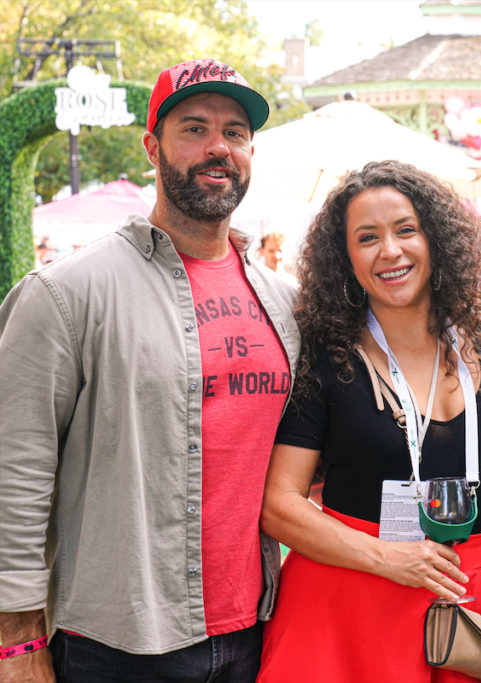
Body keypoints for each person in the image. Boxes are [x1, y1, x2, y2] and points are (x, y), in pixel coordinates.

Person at [0, 58, 299, 682]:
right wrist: (16, 645)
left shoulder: (285, 302)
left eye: (236, 133)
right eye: (194, 128)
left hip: (256, 631)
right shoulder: (65, 293)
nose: (218, 147)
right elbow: (14, 475)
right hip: (117, 641)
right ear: (151, 147)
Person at [256, 160, 481, 681]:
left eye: (406, 230)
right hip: (346, 603)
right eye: (367, 238)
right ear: (345, 258)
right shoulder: (329, 354)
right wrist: (389, 560)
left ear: (436, 238)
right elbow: (279, 506)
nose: (390, 251)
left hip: (461, 597)